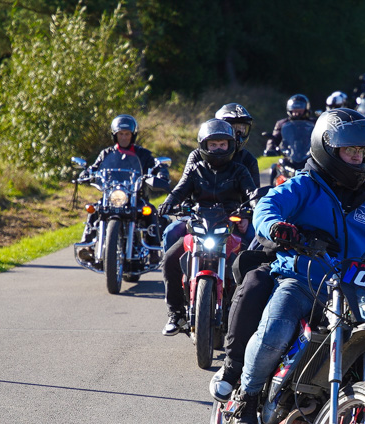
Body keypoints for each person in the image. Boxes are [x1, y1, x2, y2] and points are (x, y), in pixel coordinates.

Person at [232, 108, 365, 424]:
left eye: (362, 152)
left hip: (351, 292)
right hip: (301, 281)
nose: (357, 158)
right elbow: (267, 207)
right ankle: (247, 395)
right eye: (349, 151)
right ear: (327, 149)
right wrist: (277, 227)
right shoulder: (304, 186)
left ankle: (353, 420)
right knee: (275, 333)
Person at [158, 119, 256, 335]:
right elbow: (180, 189)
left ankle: (250, 316)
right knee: (169, 260)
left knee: (252, 263)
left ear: (230, 145)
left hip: (228, 224)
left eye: (222, 144)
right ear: (204, 146)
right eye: (213, 144)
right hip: (199, 225)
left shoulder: (240, 170)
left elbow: (251, 192)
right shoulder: (195, 169)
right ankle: (176, 315)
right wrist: (168, 203)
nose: (218, 149)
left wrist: (254, 206)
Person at [78, 114, 169, 260]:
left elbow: (156, 166)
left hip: (136, 196)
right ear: (115, 135)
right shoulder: (106, 153)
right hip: (112, 196)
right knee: (95, 208)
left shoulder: (143, 154)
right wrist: (86, 173)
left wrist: (161, 174)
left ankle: (154, 251)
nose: (124, 137)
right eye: (121, 134)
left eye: (127, 134)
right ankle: (88, 245)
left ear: (133, 135)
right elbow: (94, 168)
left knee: (150, 211)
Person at [213, 103, 260, 186]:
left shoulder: (248, 160)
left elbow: (256, 194)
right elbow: (183, 190)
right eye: (232, 129)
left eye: (241, 130)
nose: (237, 135)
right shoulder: (198, 156)